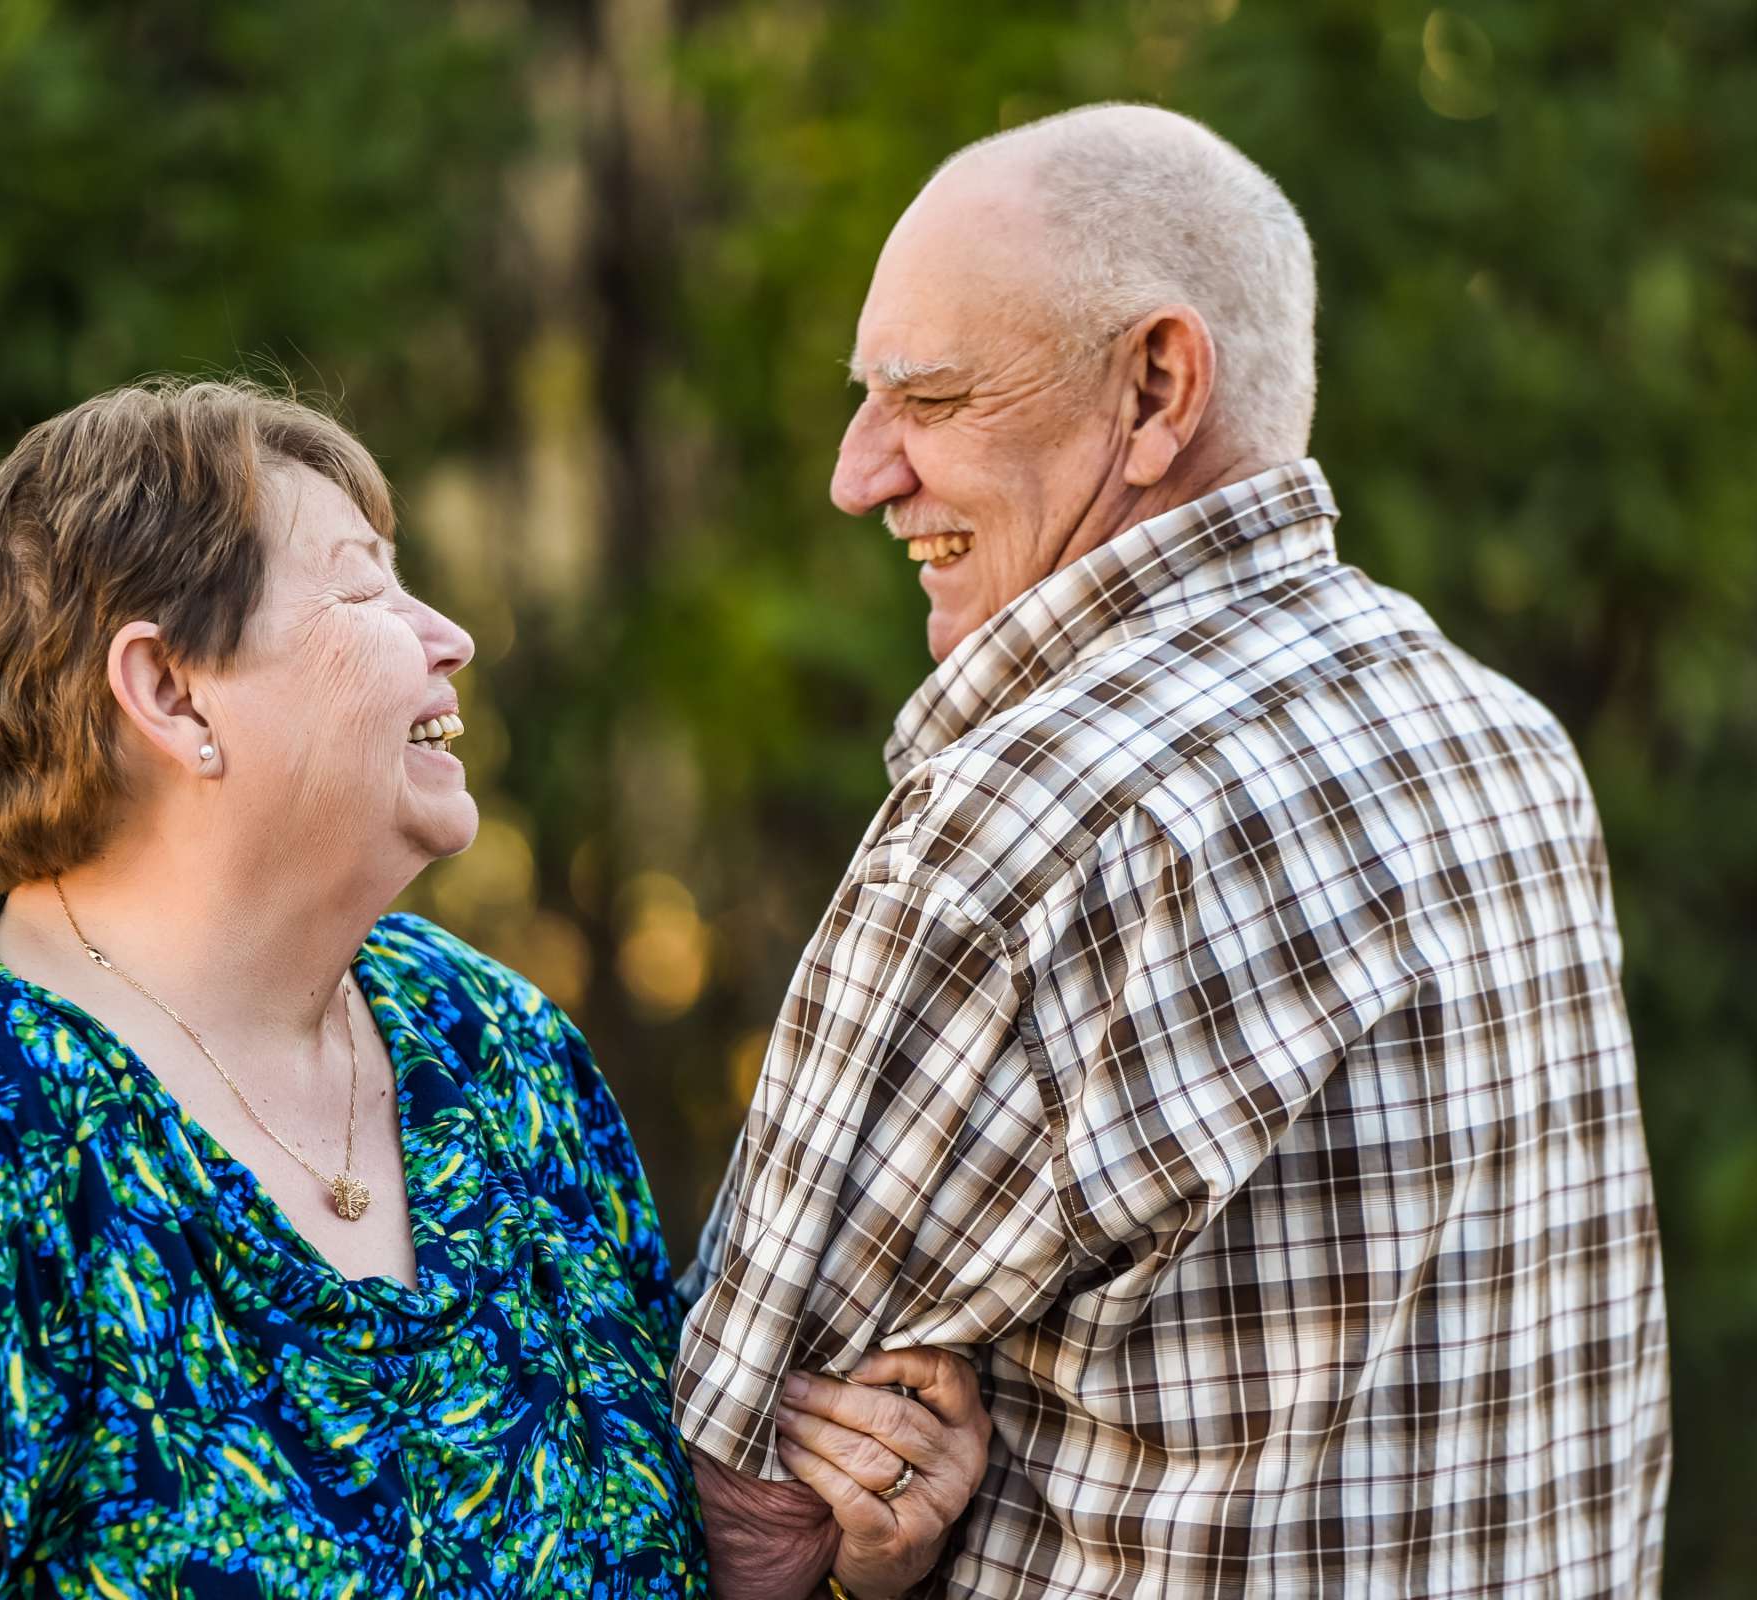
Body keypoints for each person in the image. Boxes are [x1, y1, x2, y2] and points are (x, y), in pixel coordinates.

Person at [0, 378, 985, 1597]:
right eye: (368, 588)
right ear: (172, 693)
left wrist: (836, 1544)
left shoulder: (497, 1060)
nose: (453, 638)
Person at [674, 105, 1671, 1598]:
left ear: (1156, 387)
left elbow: (738, 1518)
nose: (858, 473)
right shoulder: (1503, 739)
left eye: (927, 399)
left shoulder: (1019, 831)